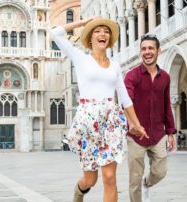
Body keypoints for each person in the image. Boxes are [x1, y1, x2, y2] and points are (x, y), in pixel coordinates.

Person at [51, 17, 147, 202]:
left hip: (111, 121)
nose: (102, 34)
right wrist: (84, 22)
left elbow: (125, 99)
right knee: (90, 179)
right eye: (97, 31)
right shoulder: (80, 58)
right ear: (90, 38)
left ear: (109, 38)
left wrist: (136, 124)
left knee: (110, 178)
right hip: (88, 122)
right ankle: (79, 192)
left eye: (106, 31)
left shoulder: (115, 66)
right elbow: (55, 32)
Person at [124, 34, 177, 202]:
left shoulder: (165, 77)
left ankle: (147, 184)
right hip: (135, 135)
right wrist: (132, 123)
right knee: (134, 179)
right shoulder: (132, 76)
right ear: (140, 52)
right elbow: (126, 101)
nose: (147, 52)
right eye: (144, 49)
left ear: (158, 51)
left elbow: (166, 104)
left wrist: (170, 132)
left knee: (161, 171)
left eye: (150, 48)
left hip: (157, 133)